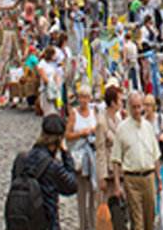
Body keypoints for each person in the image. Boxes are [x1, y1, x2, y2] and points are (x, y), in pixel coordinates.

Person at [111, 91, 162, 230]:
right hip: (131, 178)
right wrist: (117, 184)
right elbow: (116, 159)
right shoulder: (122, 129)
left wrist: (159, 178)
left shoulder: (148, 127)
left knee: (149, 220)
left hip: (149, 177)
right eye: (134, 107)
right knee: (137, 222)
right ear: (128, 107)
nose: (137, 111)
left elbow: (155, 155)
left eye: (139, 107)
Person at [23, 114, 78, 230]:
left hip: (25, 219)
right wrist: (65, 153)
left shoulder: (23, 158)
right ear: (59, 139)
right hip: (46, 221)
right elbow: (72, 184)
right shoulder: (52, 166)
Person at [66, 85, 99, 230]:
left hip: (92, 156)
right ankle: (82, 224)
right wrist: (81, 133)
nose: (83, 101)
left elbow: (99, 131)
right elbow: (67, 135)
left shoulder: (93, 113)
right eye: (81, 97)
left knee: (93, 192)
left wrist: (93, 131)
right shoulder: (74, 113)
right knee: (81, 194)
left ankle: (92, 224)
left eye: (86, 97)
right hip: (79, 157)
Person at [95, 85, 123, 207]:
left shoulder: (118, 119)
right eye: (119, 100)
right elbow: (100, 149)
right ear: (113, 102)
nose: (121, 103)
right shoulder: (102, 122)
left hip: (119, 167)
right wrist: (102, 176)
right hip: (108, 168)